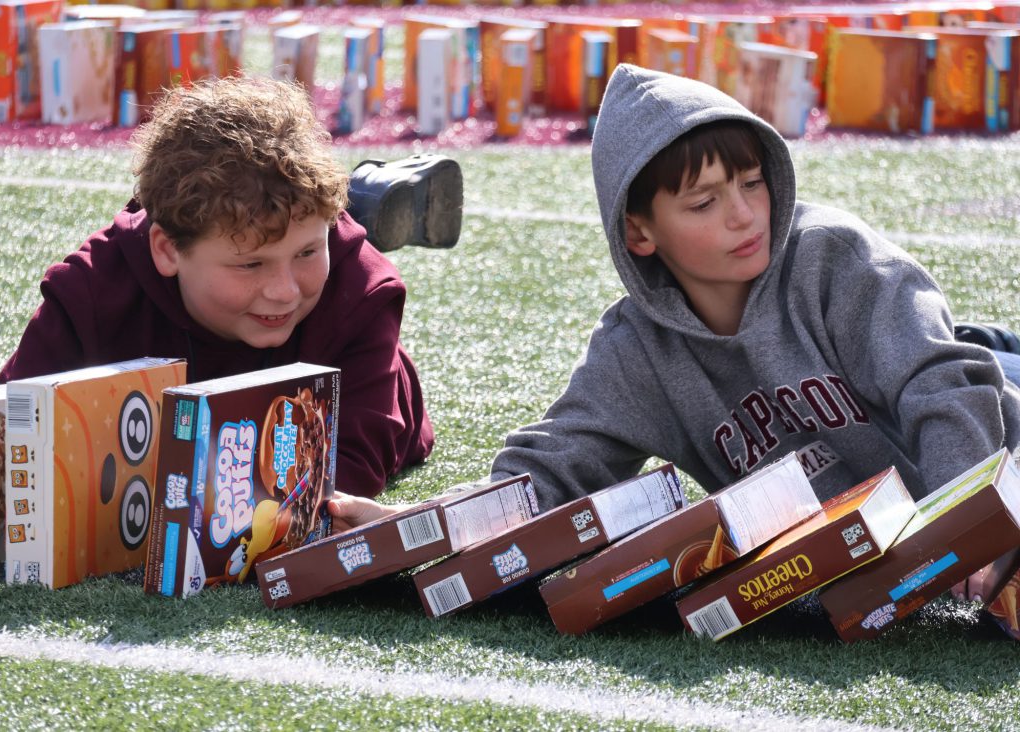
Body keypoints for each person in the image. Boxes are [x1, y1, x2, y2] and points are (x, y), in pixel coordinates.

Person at [329, 64, 1020, 548]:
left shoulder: (832, 257)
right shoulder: (638, 353)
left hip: (1001, 434)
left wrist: (966, 522)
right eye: (703, 202)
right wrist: (416, 523)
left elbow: (944, 381)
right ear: (640, 231)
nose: (745, 215)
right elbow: (546, 475)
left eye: (753, 182)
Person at [0, 75, 456, 499]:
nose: (284, 291)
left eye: (306, 253)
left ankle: (355, 205)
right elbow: (11, 422)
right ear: (167, 251)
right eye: (251, 263)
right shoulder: (93, 291)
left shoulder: (359, 289)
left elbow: (351, 471)